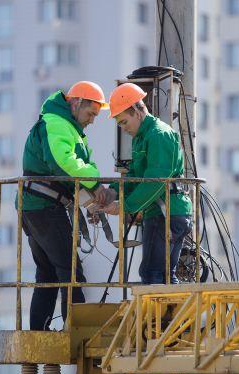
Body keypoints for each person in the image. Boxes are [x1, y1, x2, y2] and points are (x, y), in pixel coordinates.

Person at [18, 81, 111, 330]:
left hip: (38, 206)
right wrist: (95, 186)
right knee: (70, 271)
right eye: (91, 113)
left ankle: (40, 331)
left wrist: (90, 203)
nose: (92, 120)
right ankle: (76, 330)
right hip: (43, 208)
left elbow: (63, 173)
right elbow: (63, 164)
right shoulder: (57, 124)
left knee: (48, 273)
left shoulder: (65, 127)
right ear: (76, 103)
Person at [102, 83, 192, 284]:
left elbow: (155, 180)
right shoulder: (142, 138)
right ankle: (167, 315)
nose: (124, 129)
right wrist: (110, 194)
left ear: (137, 111)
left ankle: (163, 316)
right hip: (161, 210)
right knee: (161, 275)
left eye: (124, 122)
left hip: (167, 211)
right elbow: (135, 175)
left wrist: (124, 206)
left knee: (154, 275)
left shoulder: (158, 135)